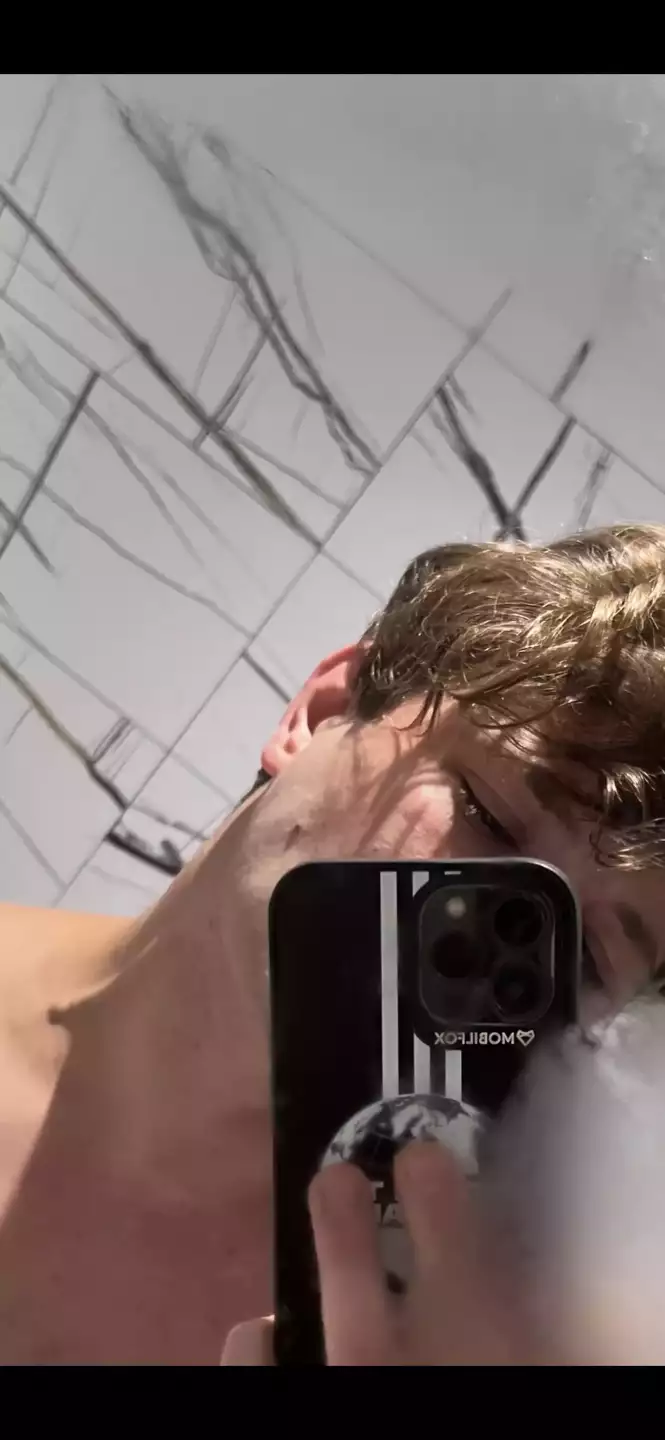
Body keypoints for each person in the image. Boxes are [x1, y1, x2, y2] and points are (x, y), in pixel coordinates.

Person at [0, 522, 664, 1364]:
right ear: (320, 716)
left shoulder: (505, 1332)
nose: (484, 947)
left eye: (587, 953)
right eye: (487, 815)